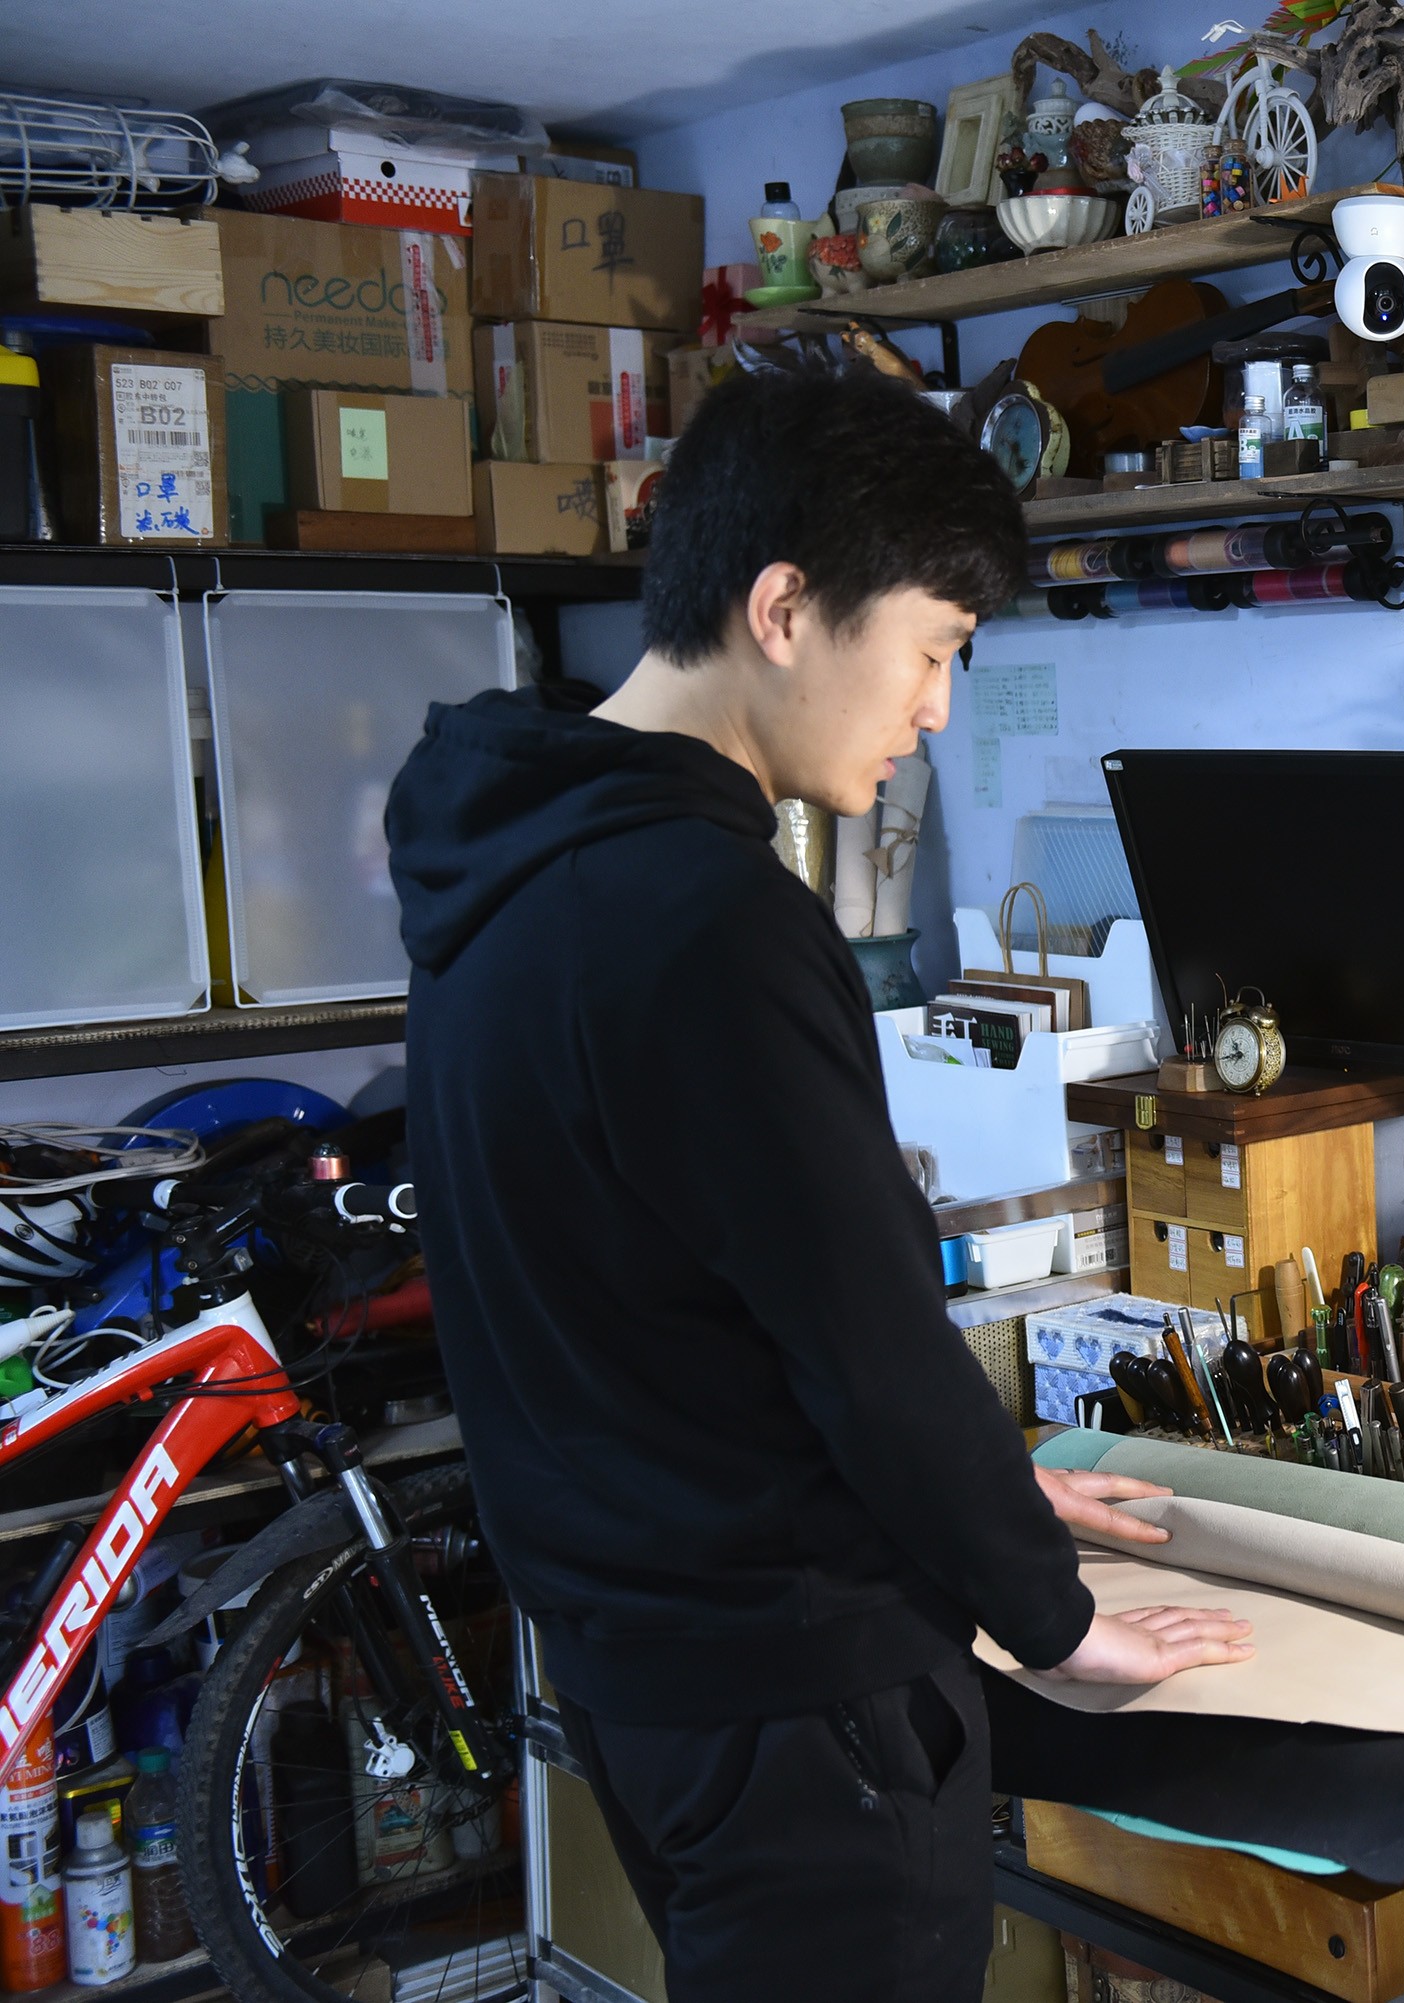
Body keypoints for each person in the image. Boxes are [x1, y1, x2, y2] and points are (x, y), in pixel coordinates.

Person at [386, 366, 1252, 2001]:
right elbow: (862, 1334)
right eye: (931, 647)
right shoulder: (712, 917)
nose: (937, 708)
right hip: (802, 1703)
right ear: (785, 611)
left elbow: (668, 1313)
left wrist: (997, 1490)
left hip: (642, 1672)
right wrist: (1056, 1620)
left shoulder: (498, 862)